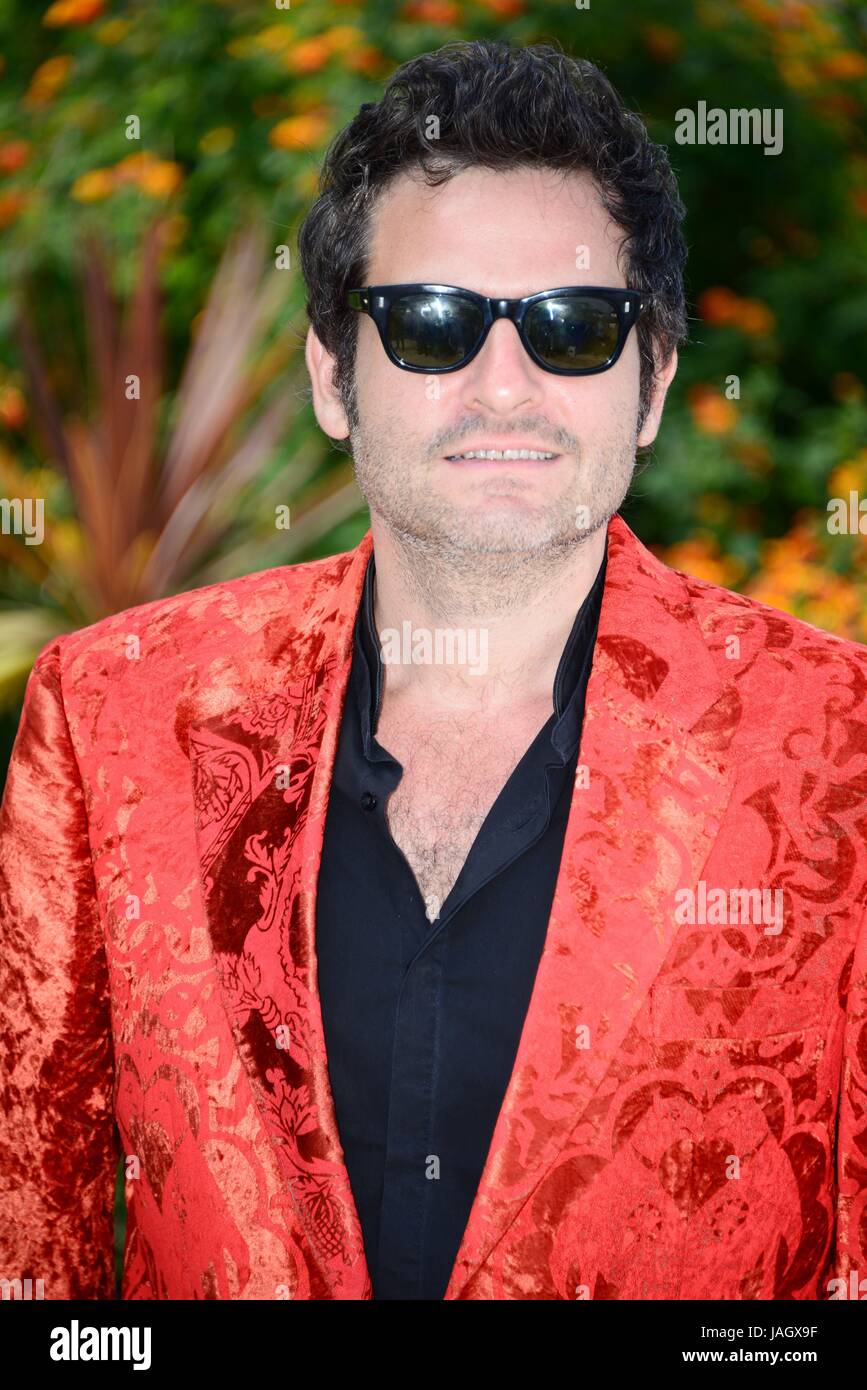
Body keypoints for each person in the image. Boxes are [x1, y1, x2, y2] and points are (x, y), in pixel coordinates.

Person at [1, 38, 865, 1302]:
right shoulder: (107, 715)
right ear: (331, 379)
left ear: (656, 382)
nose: (501, 385)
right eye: (431, 324)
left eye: (573, 328)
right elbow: (35, 1262)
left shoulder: (843, 743)